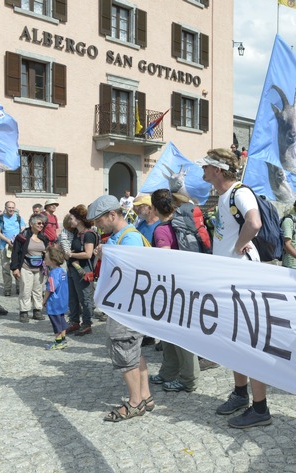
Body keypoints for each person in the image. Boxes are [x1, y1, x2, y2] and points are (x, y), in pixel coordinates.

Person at [199, 148, 272, 429]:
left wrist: (240, 245)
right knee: (233, 340)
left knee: (248, 342)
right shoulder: (223, 196)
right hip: (229, 277)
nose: (203, 171)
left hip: (242, 277)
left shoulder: (239, 193)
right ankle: (241, 394)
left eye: (206, 167)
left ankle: (261, 407)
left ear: (217, 170)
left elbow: (254, 222)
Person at [87, 195, 154, 421]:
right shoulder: (119, 237)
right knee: (133, 350)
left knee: (124, 350)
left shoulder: (130, 238)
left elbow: (133, 273)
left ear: (112, 215)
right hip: (121, 305)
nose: (97, 226)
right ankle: (145, 395)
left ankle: (135, 402)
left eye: (99, 221)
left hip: (126, 306)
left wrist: (107, 256)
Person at [146, 189, 200, 393]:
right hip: (186, 285)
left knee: (181, 335)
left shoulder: (161, 230)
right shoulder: (182, 223)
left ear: (154, 208)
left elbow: (164, 261)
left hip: (173, 289)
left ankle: (188, 379)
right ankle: (168, 372)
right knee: (167, 333)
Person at [65, 205, 97, 336]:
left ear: (78, 219)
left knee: (85, 298)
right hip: (73, 269)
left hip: (83, 271)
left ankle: (87, 323)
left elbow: (88, 254)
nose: (69, 220)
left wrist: (71, 255)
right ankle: (74, 322)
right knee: (72, 298)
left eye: (71, 218)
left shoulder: (88, 235)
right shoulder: (77, 233)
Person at [10, 213, 49, 323]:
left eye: (43, 224)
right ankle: (24, 312)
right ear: (31, 223)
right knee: (25, 290)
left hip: (39, 268)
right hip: (25, 267)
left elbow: (47, 252)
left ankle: (37, 310)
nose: (41, 225)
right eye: (39, 223)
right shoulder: (22, 237)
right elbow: (15, 253)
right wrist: (15, 268)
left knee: (38, 290)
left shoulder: (44, 237)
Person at [0, 200, 26, 297]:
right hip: (4, 246)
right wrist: (8, 240)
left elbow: (23, 230)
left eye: (13, 207)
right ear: (5, 208)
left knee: (18, 266)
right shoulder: (0, 218)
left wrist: (17, 240)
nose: (11, 209)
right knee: (5, 268)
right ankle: (7, 289)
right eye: (9, 207)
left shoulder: (19, 218)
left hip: (17, 247)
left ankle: (18, 287)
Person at [43, 245, 69, 350]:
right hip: (63, 300)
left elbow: (51, 288)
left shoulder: (53, 273)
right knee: (62, 320)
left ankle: (58, 342)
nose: (44, 260)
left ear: (52, 260)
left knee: (56, 323)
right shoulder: (62, 271)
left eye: (46, 258)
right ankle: (63, 339)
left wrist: (44, 300)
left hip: (54, 302)